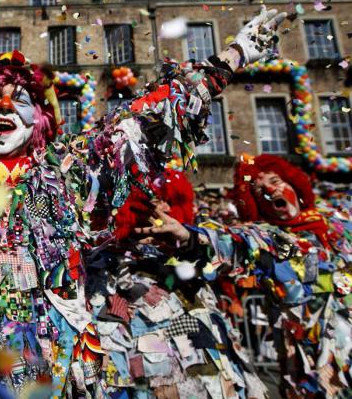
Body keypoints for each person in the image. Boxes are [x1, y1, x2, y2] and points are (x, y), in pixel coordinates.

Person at [0, 7, 285, 398]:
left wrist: (235, 55)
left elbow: (150, 117)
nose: (6, 106)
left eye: (20, 100)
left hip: (30, 373)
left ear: (38, 119)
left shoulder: (66, 170)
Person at [137, 154, 352, 397]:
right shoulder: (265, 238)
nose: (270, 189)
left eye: (275, 180)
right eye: (259, 190)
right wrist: (189, 237)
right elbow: (231, 244)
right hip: (314, 365)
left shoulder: (338, 221)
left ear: (294, 183)